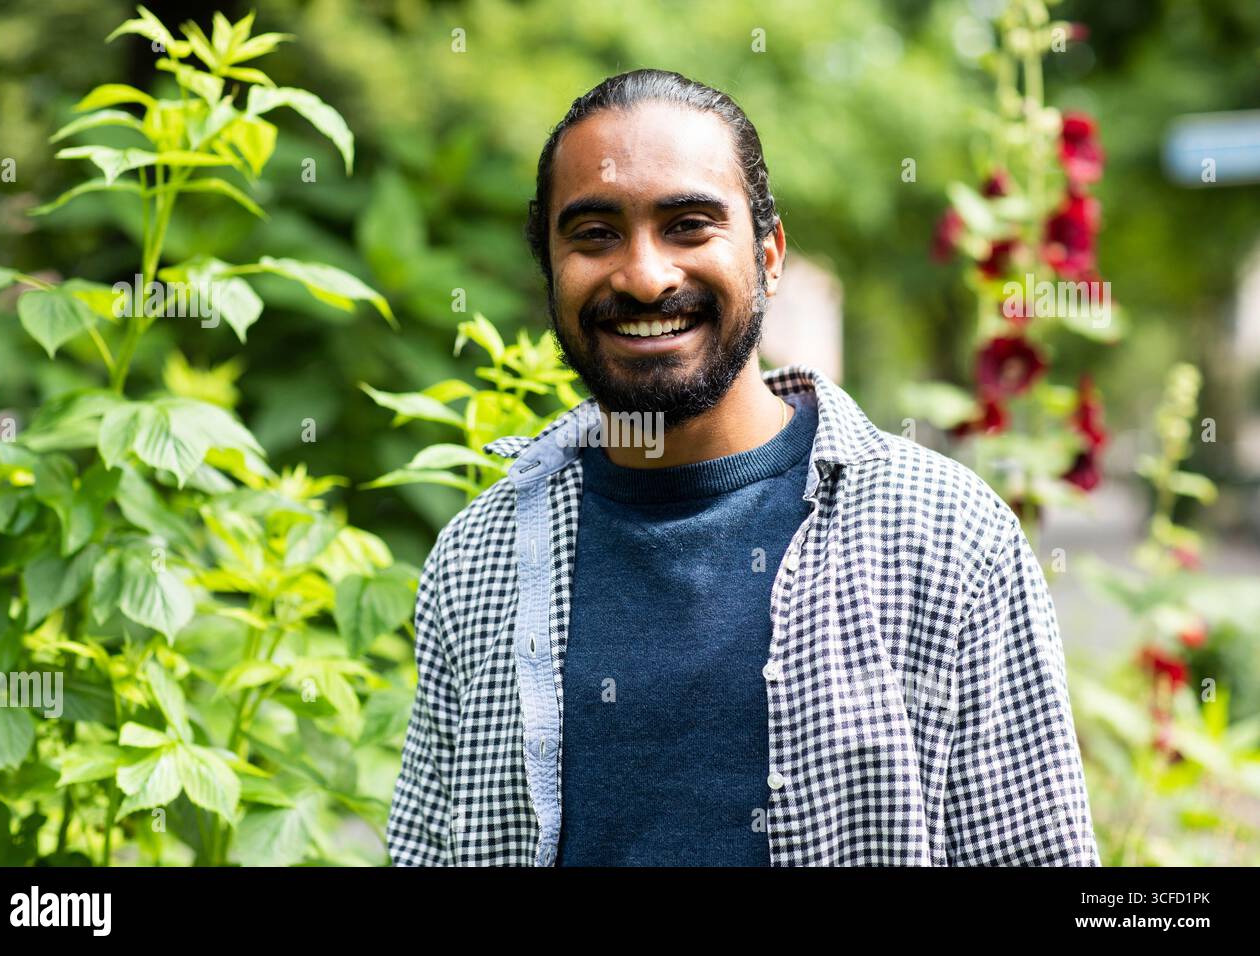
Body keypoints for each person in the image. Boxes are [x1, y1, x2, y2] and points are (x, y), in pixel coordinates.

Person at [385, 68, 1100, 867]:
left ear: (768, 254)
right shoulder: (476, 558)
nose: (645, 275)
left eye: (689, 225)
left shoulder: (945, 536)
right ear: (549, 268)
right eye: (594, 235)